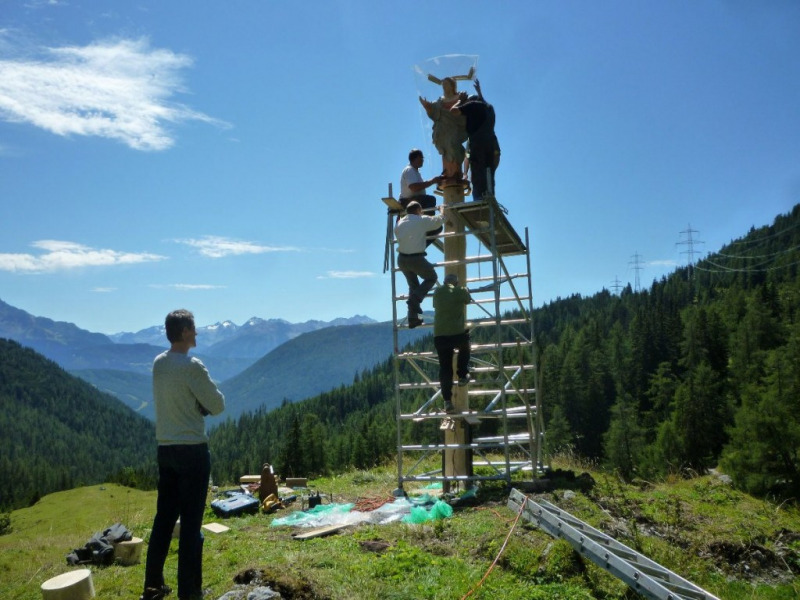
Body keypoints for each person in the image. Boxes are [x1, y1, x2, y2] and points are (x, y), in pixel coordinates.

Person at [141, 309, 225, 600]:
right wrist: (200, 405)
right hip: (192, 452)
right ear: (186, 332)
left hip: (165, 449)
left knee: (164, 520)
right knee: (190, 526)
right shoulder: (192, 366)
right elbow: (218, 405)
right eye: (193, 328)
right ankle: (189, 592)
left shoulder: (159, 363)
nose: (197, 333)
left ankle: (152, 587)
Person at [395, 201, 445, 328]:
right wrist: (441, 209)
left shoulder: (400, 223)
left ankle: (412, 318)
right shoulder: (421, 220)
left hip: (402, 259)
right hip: (415, 258)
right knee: (432, 277)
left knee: (413, 286)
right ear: (419, 210)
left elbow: (401, 231)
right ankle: (415, 299)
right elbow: (440, 221)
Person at [451, 78, 501, 201]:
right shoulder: (489, 108)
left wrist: (460, 101)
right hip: (492, 145)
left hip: (478, 145)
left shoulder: (472, 105)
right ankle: (490, 197)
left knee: (478, 175)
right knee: (489, 174)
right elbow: (483, 101)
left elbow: (453, 111)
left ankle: (479, 199)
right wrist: (480, 92)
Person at [433, 273, 472, 413]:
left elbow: (436, 304)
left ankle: (447, 401)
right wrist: (465, 289)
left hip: (440, 335)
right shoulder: (460, 290)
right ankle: (462, 374)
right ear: (456, 283)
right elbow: (468, 300)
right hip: (457, 333)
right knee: (465, 347)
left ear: (444, 282)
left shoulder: (437, 292)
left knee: (445, 368)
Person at [419, 77, 468, 179]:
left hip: (455, 127)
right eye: (443, 85)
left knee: (453, 144)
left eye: (446, 84)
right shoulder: (440, 101)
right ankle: (447, 172)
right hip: (442, 130)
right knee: (444, 148)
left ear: (452, 86)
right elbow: (433, 109)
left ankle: (456, 171)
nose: (444, 86)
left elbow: (464, 109)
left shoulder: (459, 97)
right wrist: (427, 105)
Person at [399, 149, 444, 244]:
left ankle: (419, 245)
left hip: (414, 202)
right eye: (421, 158)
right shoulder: (409, 170)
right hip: (408, 202)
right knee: (430, 200)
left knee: (438, 228)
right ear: (415, 158)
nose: (423, 160)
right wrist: (432, 181)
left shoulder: (415, 172)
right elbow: (414, 187)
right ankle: (427, 225)